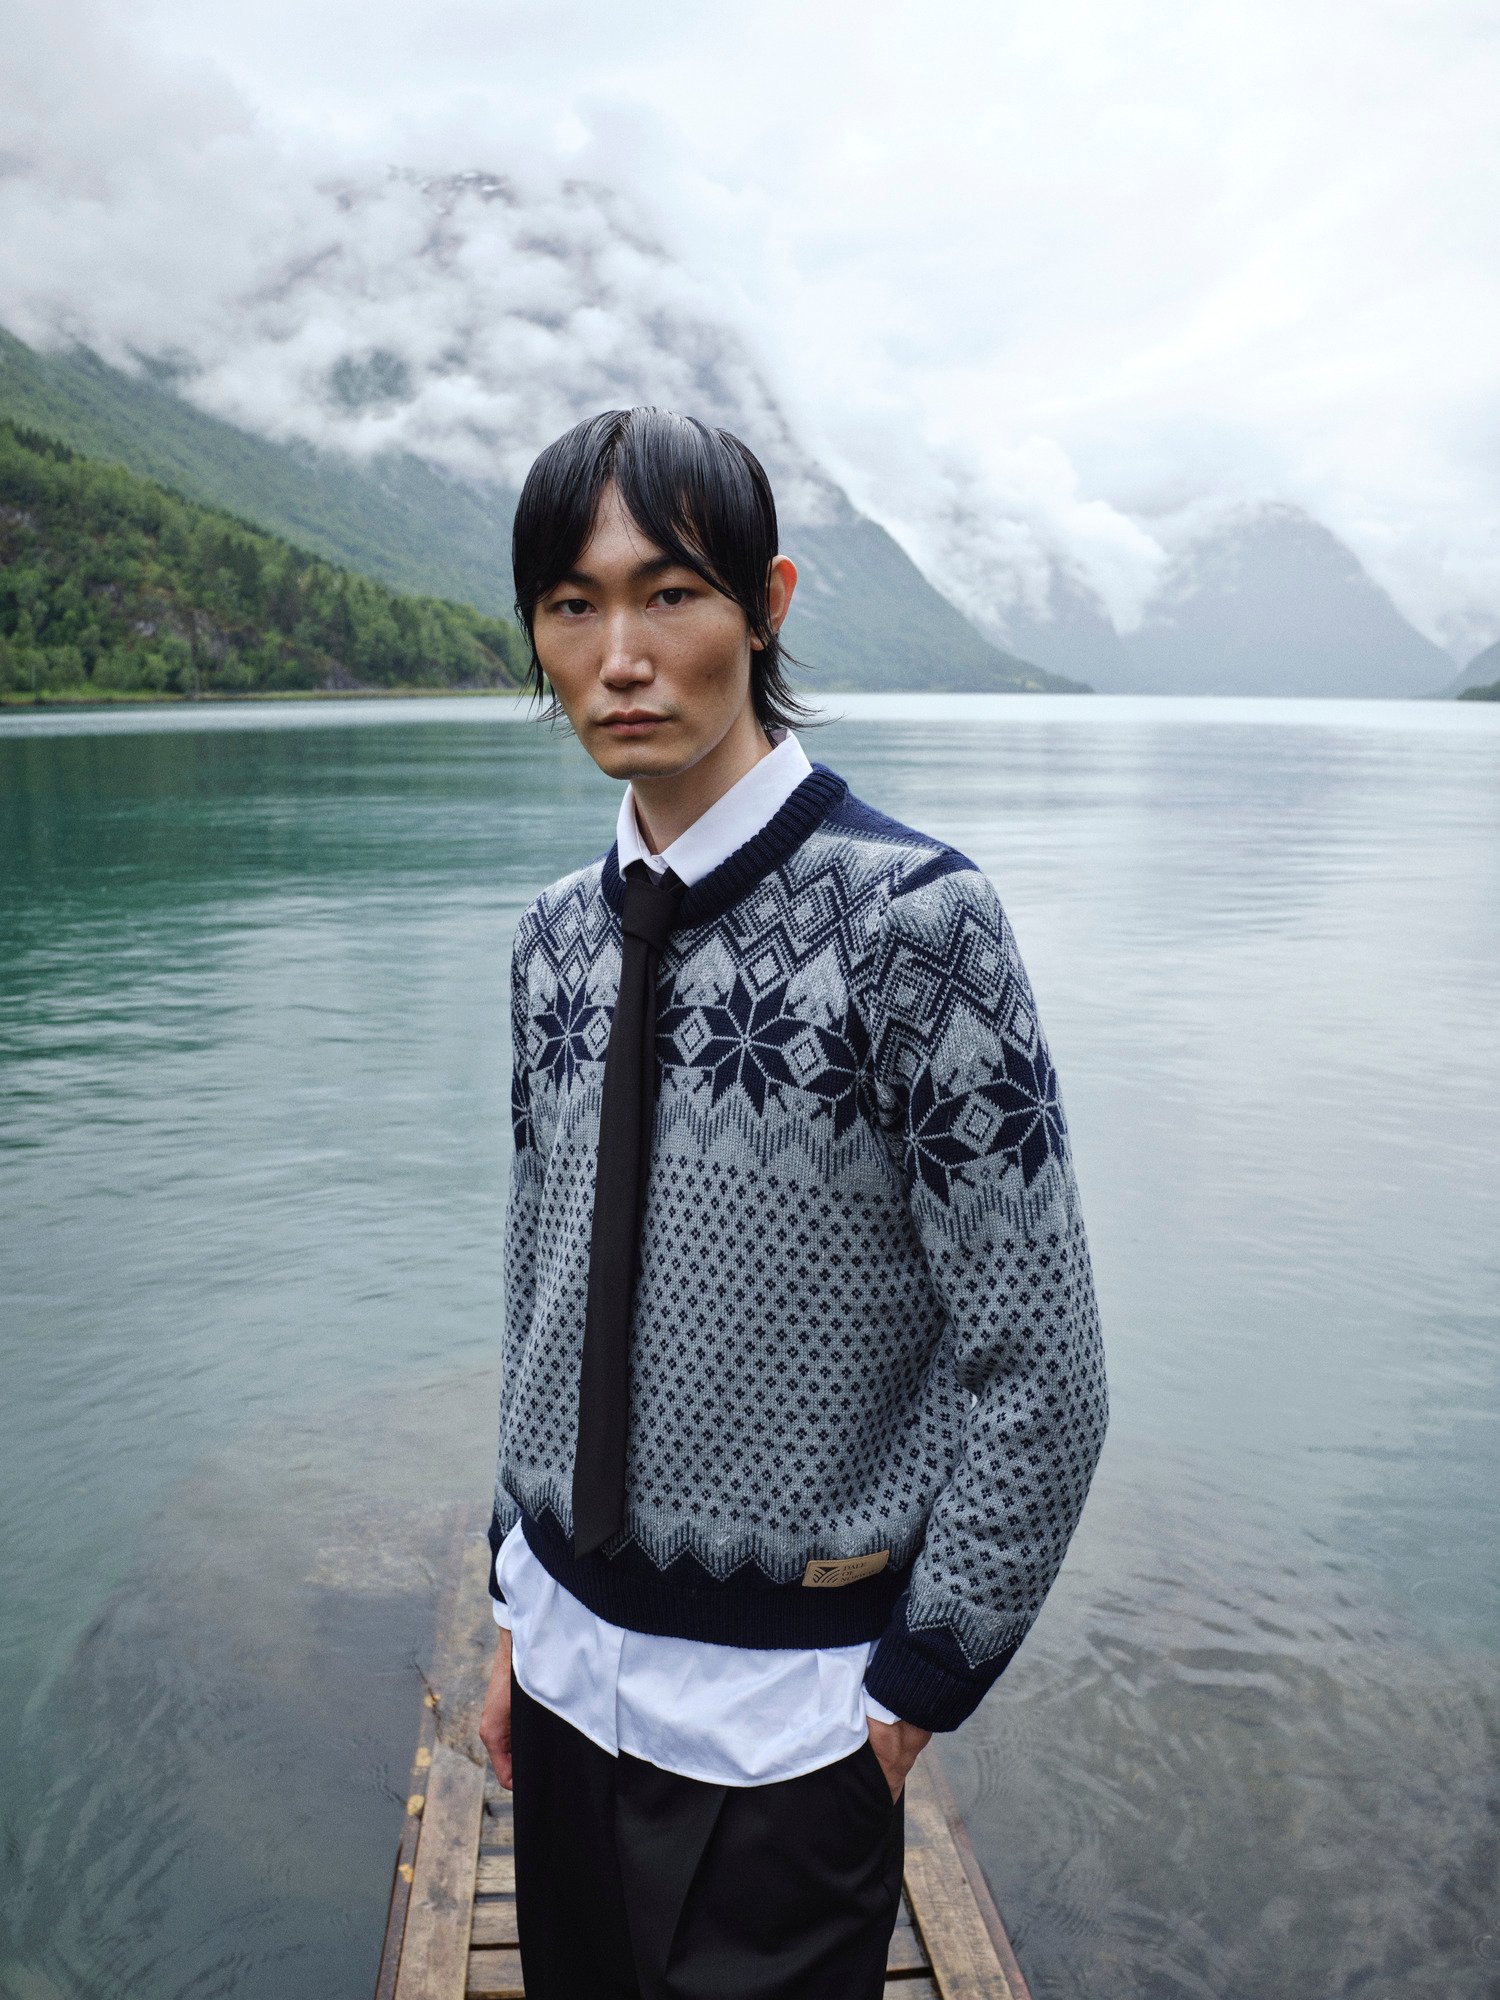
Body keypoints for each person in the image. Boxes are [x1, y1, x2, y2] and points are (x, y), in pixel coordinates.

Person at [478, 406, 1107, 2000]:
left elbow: (1040, 1370)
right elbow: (538, 1290)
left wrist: (916, 1689)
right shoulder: (552, 939)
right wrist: (511, 1591)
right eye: (571, 604)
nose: (620, 653)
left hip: (789, 1737)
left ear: (767, 603)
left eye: (670, 593)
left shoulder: (919, 929)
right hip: (558, 1681)